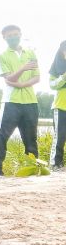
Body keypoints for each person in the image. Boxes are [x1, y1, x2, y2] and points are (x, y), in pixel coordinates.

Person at [0, 25, 40, 176]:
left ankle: (33, 168)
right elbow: (9, 78)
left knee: (31, 137)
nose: (13, 37)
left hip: (30, 101)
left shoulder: (30, 53)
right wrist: (23, 69)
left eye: (15, 34)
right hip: (11, 102)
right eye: (9, 35)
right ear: (4, 38)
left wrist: (20, 84)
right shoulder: (2, 56)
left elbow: (37, 77)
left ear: (20, 34)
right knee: (2, 136)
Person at [49, 41, 66, 171]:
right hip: (61, 107)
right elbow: (52, 85)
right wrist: (64, 77)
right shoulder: (56, 67)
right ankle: (56, 164)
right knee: (59, 136)